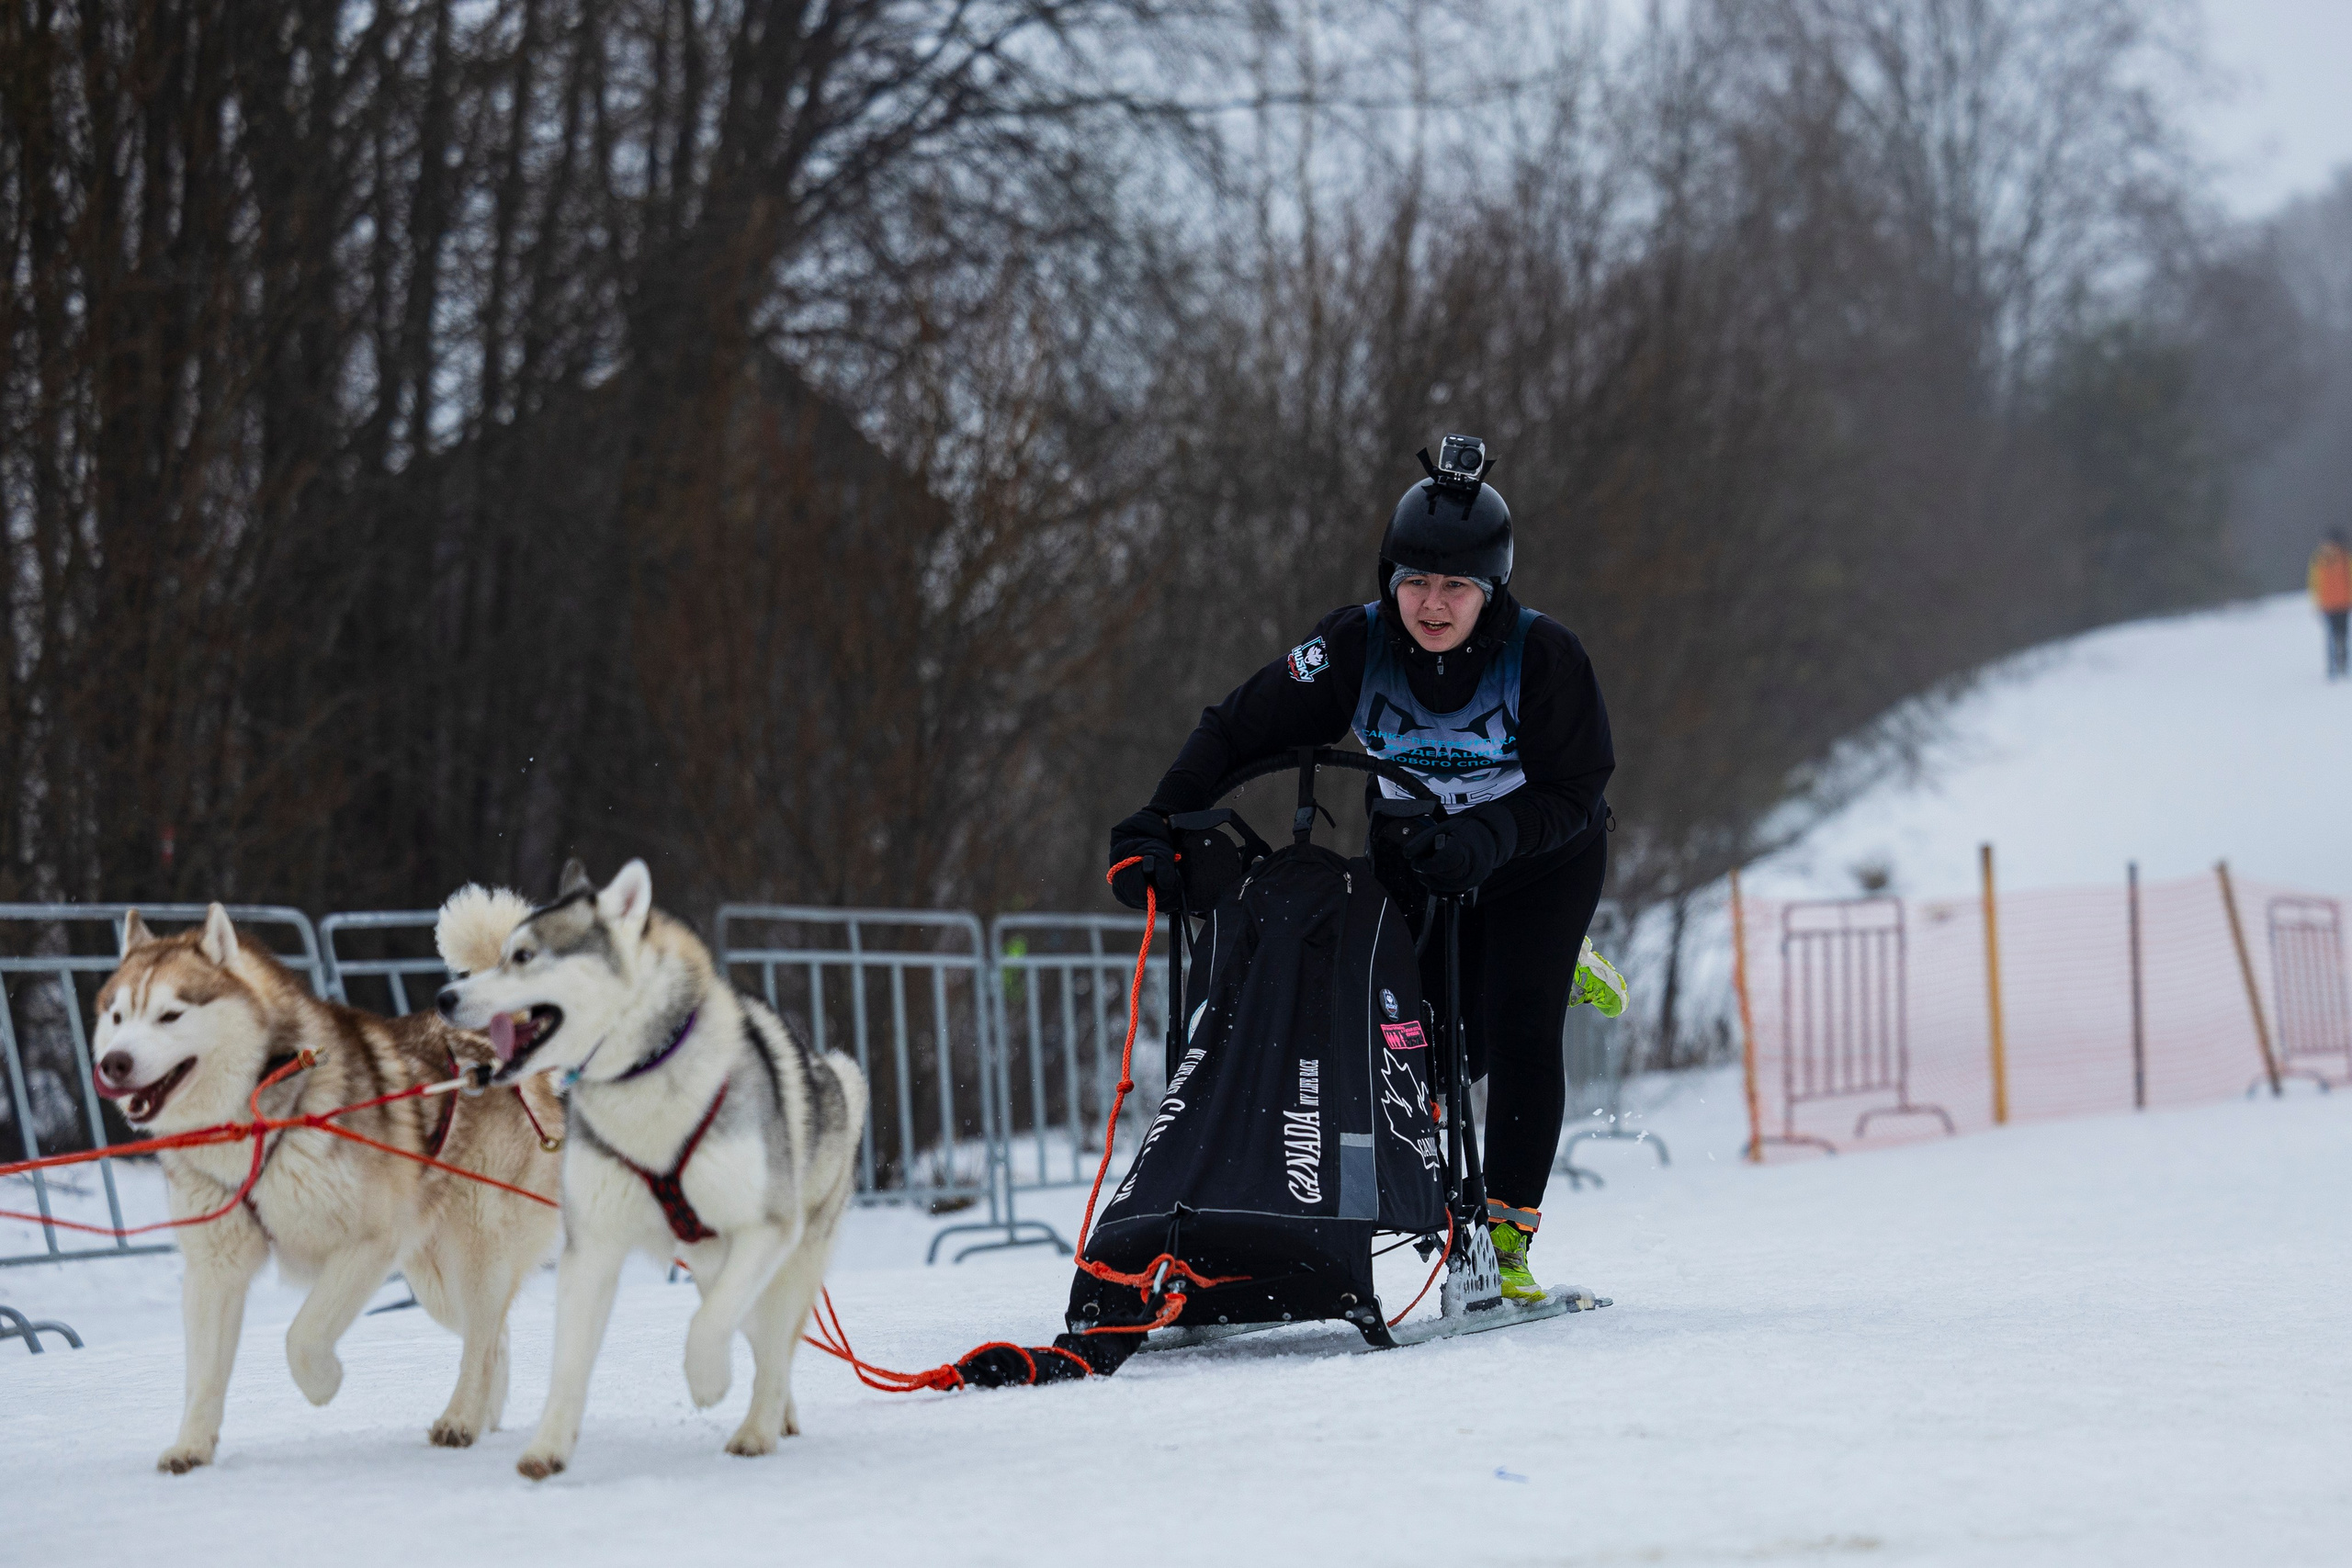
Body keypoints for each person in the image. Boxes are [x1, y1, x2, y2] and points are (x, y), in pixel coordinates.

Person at [1106, 436, 1613, 1303]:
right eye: (1413, 580)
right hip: (1415, 856)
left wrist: (1489, 834)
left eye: (1456, 585)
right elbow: (1237, 727)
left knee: (1522, 1024)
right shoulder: (1354, 643)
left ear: (1491, 589)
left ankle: (1503, 1235)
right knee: (1436, 1042)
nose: (1432, 603)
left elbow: (1579, 787)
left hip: (1537, 859)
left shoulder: (1544, 656)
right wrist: (1156, 818)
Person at [2312, 529, 2351, 680]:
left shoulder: (2343, 559)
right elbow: (2315, 582)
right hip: (2331, 604)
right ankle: (2336, 666)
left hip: (2341, 603)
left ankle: (2338, 665)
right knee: (2335, 635)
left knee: (2338, 635)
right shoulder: (2320, 560)